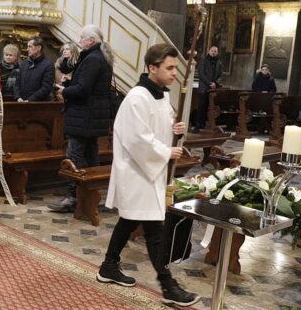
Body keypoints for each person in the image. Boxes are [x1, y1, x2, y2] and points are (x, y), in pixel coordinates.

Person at [97, 43, 200, 307]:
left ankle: (109, 266)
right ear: (152, 68)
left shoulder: (160, 95)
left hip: (149, 171)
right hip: (137, 171)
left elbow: (156, 129)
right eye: (169, 68)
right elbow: (138, 140)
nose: (174, 73)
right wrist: (166, 151)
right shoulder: (137, 98)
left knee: (129, 221)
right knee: (154, 227)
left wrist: (173, 128)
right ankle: (168, 286)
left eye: (176, 68)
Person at [47, 26, 112, 213]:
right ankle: (90, 195)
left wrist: (64, 90)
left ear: (91, 40)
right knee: (91, 156)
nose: (80, 40)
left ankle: (72, 197)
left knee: (73, 157)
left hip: (84, 115)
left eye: (82, 37)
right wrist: (70, 84)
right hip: (91, 116)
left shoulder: (92, 59)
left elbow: (83, 89)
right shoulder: (99, 57)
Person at [14, 37, 54, 102]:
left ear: (39, 48)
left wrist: (30, 100)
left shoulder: (48, 64)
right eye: (27, 47)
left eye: (30, 46)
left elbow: (46, 88)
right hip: (21, 102)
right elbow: (17, 83)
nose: (27, 49)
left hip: (37, 105)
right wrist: (18, 97)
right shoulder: (24, 63)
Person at [195, 45, 223, 129]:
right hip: (204, 87)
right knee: (202, 106)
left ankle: (208, 123)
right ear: (209, 51)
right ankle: (199, 124)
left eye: (215, 51)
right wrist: (209, 82)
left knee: (210, 106)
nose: (213, 53)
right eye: (212, 51)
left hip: (213, 88)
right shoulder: (204, 61)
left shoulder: (219, 63)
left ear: (217, 52)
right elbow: (201, 73)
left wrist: (216, 83)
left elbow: (221, 75)